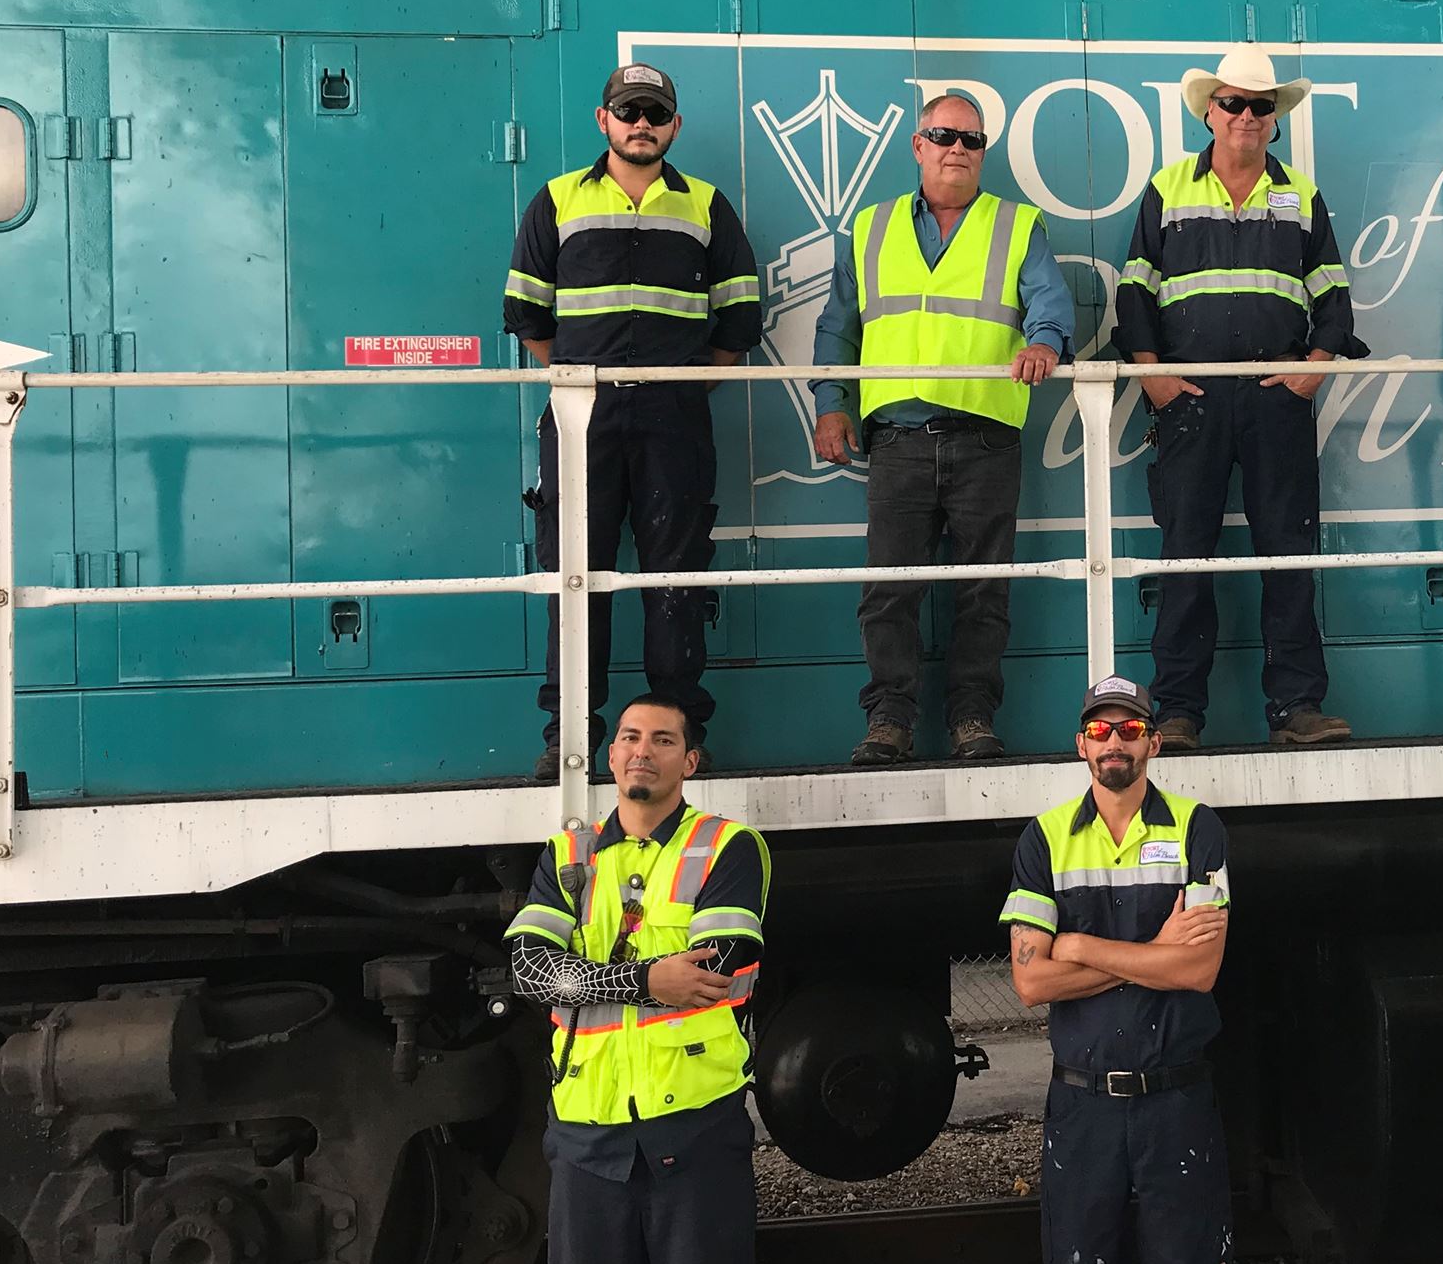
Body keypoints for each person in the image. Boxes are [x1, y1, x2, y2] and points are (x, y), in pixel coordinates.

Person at [504, 691, 792, 1264]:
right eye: (629, 736)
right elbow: (527, 970)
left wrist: (590, 977)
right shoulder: (569, 855)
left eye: (663, 740)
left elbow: (718, 967)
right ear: (611, 754)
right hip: (588, 1141)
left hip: (691, 1133)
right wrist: (640, 980)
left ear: (689, 763)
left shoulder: (727, 849)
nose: (641, 751)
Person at [1000, 675, 1242, 1264]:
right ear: (1081, 745)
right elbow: (1030, 982)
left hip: (1177, 1101)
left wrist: (1078, 944)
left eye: (1129, 728)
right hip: (1084, 1109)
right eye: (1100, 728)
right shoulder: (1043, 838)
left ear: (1152, 743)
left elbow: (1200, 970)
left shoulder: (1199, 829)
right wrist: (1150, 954)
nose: (1115, 741)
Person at [505, 64, 762, 779]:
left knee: (675, 581)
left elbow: (741, 320)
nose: (641, 123)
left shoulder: (707, 205)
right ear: (604, 120)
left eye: (654, 112)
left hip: (674, 415)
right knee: (574, 578)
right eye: (628, 111)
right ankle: (569, 739)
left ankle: (677, 738)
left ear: (674, 125)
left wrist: (680, 386)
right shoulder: (557, 199)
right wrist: (584, 377)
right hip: (581, 412)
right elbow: (527, 316)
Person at [811, 93, 1076, 765]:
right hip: (897, 440)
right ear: (918, 145)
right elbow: (838, 325)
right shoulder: (869, 228)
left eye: (971, 139)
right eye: (943, 136)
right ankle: (889, 722)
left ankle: (972, 720)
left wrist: (1044, 342)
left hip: (986, 436)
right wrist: (831, 403)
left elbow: (1050, 301)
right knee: (888, 592)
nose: (958, 148)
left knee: (984, 591)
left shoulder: (1017, 224)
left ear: (983, 151)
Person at [1118, 44, 1361, 751]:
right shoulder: (1167, 188)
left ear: (1274, 117)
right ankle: (1177, 712)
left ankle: (1297, 707)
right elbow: (1134, 290)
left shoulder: (1302, 195)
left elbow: (1333, 295)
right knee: (1185, 555)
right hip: (1188, 398)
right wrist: (1151, 375)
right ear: (1210, 111)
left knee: (1287, 552)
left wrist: (1316, 367)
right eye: (1234, 103)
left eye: (1261, 105)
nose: (1247, 116)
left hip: (1275, 398)